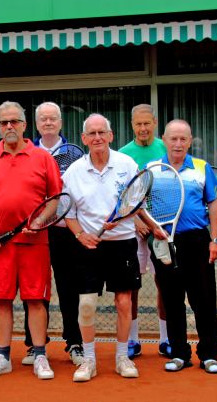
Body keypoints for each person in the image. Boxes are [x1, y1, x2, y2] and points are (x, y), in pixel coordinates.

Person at [63, 113, 167, 382]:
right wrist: (80, 236)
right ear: (84, 139)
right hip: (88, 247)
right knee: (86, 304)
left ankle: (122, 356)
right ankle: (88, 360)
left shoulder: (127, 164)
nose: (97, 138)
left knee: (123, 302)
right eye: (92, 134)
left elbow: (137, 204)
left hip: (122, 244)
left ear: (110, 136)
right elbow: (69, 213)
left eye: (102, 133)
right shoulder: (74, 172)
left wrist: (152, 225)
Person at [0, 101, 62, 379]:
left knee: (36, 300)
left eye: (14, 121)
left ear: (24, 125)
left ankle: (40, 355)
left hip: (35, 244)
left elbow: (55, 199)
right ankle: (2, 356)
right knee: (1, 301)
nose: (9, 127)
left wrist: (40, 221)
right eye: (3, 123)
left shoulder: (42, 157)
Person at [151, 120, 217, 374]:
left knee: (203, 299)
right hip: (165, 243)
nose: (178, 144)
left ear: (190, 141)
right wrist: (150, 228)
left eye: (183, 139)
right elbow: (138, 204)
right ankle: (179, 353)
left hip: (197, 242)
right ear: (164, 139)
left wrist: (215, 240)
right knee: (172, 300)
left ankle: (209, 355)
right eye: (173, 139)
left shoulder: (202, 168)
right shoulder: (152, 169)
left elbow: (214, 204)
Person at [20, 102, 84, 366]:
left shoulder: (75, 154)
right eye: (43, 119)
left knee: (70, 289)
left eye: (52, 118)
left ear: (60, 122)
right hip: (35, 232)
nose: (48, 122)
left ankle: (75, 342)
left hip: (65, 231)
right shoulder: (26, 152)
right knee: (35, 290)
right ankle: (35, 345)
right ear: (36, 124)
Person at [119, 104, 168, 359]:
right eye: (138, 124)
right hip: (133, 231)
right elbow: (121, 195)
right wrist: (136, 220)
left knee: (165, 284)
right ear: (132, 125)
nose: (143, 128)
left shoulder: (166, 148)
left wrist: (155, 224)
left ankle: (166, 339)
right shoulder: (123, 155)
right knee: (131, 287)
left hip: (161, 230)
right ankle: (132, 340)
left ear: (155, 122)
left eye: (147, 123)